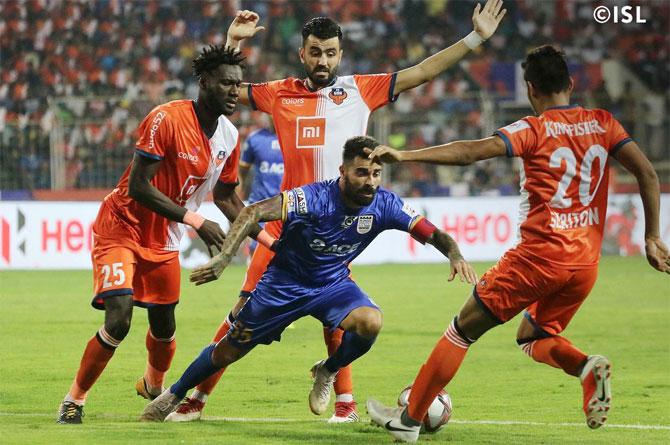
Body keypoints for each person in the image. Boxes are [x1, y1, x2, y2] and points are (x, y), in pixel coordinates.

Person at [172, 1, 506, 423]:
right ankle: (196, 398)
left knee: (340, 314)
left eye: (330, 52)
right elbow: (220, 87)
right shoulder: (280, 93)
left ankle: (343, 403)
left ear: (340, 54)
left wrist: (475, 38)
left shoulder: (360, 89)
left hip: (337, 226)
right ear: (302, 53)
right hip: (285, 229)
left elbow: (422, 72)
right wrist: (232, 41)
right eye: (315, 52)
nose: (323, 60)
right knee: (240, 316)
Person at [365, 45, 670, 443]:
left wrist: (404, 155)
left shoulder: (532, 128)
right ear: (571, 83)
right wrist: (651, 236)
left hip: (538, 258)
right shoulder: (604, 122)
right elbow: (648, 173)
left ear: (530, 89)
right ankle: (584, 366)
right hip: (586, 264)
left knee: (461, 331)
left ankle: (409, 419)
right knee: (533, 336)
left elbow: (469, 152)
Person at [139, 136, 478, 422]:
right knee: (227, 351)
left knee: (371, 322)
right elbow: (253, 211)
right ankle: (174, 394)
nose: (371, 181)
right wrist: (225, 257)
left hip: (332, 285)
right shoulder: (313, 197)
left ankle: (328, 370)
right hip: (283, 286)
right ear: (343, 171)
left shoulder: (385, 203)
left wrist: (455, 253)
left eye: (376, 173)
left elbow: (432, 233)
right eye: (362, 173)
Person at [56, 45, 276, 424]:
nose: (233, 92)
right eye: (225, 83)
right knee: (120, 318)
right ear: (204, 82)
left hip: (164, 238)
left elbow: (226, 197)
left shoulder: (228, 134)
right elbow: (139, 186)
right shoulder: (166, 118)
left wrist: (272, 243)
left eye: (238, 85)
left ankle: (152, 385)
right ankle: (74, 399)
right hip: (122, 225)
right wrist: (195, 221)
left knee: (164, 324)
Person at [238, 121, 283, 258]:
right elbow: (240, 174)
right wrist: (237, 208)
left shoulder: (297, 137)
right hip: (260, 210)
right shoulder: (254, 138)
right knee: (256, 258)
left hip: (288, 209)